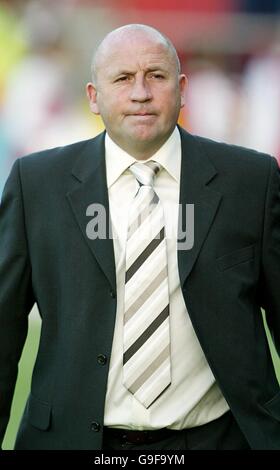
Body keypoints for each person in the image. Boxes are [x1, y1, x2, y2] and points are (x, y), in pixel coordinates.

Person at [0, 24, 279, 451]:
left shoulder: (251, 181)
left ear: (183, 88)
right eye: (123, 78)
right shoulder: (37, 184)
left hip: (218, 440)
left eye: (156, 75)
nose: (141, 93)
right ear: (93, 96)